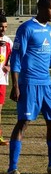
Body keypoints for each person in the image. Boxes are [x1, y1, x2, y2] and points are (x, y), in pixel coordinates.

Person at [6, 0, 51, 174]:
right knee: (23, 123)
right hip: (29, 83)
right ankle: (12, 169)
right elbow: (17, 58)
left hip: (47, 84)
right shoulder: (27, 28)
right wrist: (15, 85)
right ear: (42, 8)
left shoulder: (50, 30)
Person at [0, 15, 13, 146]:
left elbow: (13, 58)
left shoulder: (8, 41)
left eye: (5, 27)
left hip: (2, 80)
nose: (3, 29)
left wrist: (9, 65)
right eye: (1, 26)